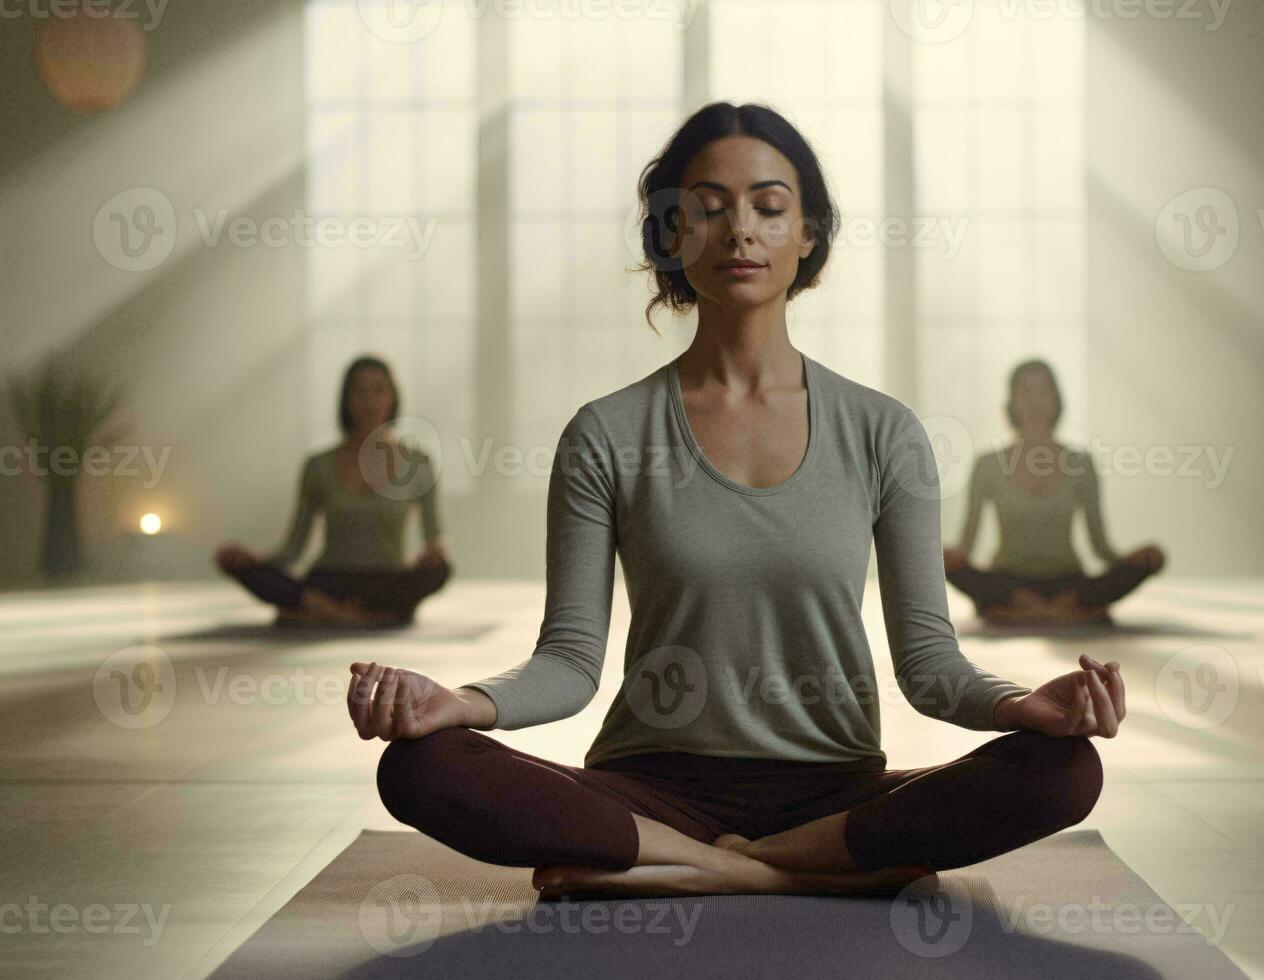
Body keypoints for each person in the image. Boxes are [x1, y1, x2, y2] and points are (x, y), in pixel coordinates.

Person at [350, 102, 1124, 902]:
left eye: (768, 206)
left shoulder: (883, 432)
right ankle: (791, 869)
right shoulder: (606, 434)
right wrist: (461, 703)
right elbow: (568, 663)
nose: (739, 232)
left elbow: (930, 667)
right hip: (652, 790)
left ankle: (700, 868)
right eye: (708, 209)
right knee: (422, 766)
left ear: (809, 234)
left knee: (1064, 769)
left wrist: (1023, 704)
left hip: (836, 788)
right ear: (671, 234)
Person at [214, 355, 451, 627]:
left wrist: (434, 553)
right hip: (329, 582)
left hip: (387, 583)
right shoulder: (318, 466)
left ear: (393, 397)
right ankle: (363, 617)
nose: (369, 400)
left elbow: (435, 538)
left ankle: (326, 613)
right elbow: (294, 548)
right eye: (359, 391)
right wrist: (253, 563)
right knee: (247, 570)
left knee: (440, 570)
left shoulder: (419, 463)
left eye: (378, 389)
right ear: (346, 399)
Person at [942, 359, 1165, 626]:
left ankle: (1017, 612)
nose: (1035, 402)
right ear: (1011, 402)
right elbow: (966, 546)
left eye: (1044, 392)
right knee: (938, 558)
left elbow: (1100, 546)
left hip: (1068, 584)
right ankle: (1069, 612)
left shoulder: (1081, 463)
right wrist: (942, 555)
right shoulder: (988, 465)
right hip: (1007, 582)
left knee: (1153, 556)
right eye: (1026, 392)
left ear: (1056, 400)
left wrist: (1133, 561)